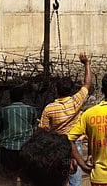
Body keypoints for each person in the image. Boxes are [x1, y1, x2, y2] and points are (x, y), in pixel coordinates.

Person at [39, 53, 92, 186]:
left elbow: (43, 130)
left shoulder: (49, 108)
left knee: (57, 178)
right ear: (71, 89)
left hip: (57, 145)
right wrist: (86, 64)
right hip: (76, 142)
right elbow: (87, 83)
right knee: (75, 180)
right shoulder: (76, 101)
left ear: (56, 91)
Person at [0, 86, 37, 176]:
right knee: (25, 177)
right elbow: (35, 128)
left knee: (8, 177)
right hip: (26, 148)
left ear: (10, 97)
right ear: (23, 97)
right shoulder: (31, 110)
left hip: (8, 149)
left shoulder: (4, 111)